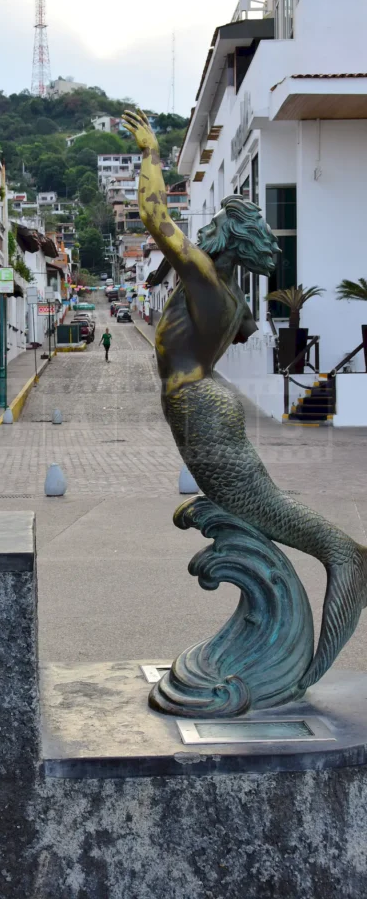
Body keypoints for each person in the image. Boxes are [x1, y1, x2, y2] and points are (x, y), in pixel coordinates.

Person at [123, 107, 367, 689]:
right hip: (211, 395)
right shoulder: (232, 299)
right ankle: (338, 558)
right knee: (256, 504)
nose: (202, 233)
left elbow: (155, 218)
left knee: (261, 505)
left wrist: (151, 154)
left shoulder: (208, 279)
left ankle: (344, 555)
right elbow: (239, 329)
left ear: (223, 239)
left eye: (212, 228)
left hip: (198, 402)